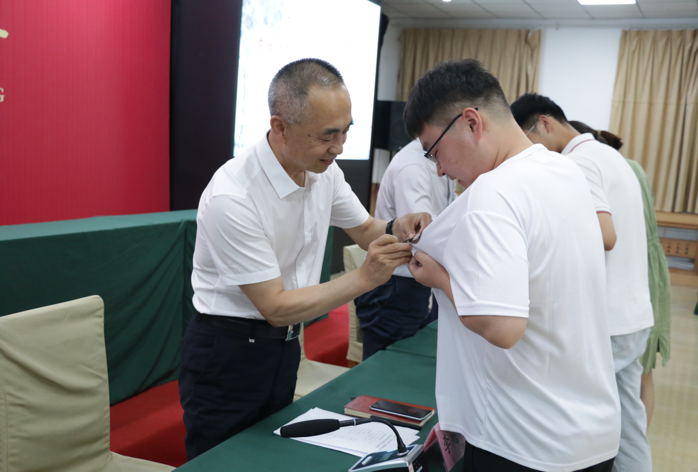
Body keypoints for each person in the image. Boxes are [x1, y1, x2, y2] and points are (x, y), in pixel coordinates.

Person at [179, 58, 430, 460]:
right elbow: (275, 307)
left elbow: (367, 228)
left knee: (271, 458)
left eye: (346, 131)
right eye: (328, 135)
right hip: (228, 352)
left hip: (285, 346)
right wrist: (365, 278)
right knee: (223, 462)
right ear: (280, 127)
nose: (339, 147)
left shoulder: (323, 171)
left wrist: (398, 226)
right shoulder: (234, 195)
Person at [404, 59, 621, 471]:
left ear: (471, 122)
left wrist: (440, 278)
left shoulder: (493, 194)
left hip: (525, 439)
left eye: (435, 151)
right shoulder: (565, 170)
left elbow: (503, 328)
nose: (440, 169)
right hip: (592, 431)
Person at [510, 93, 655, 472]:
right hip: (633, 314)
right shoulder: (609, 155)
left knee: (575, 420)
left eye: (528, 139)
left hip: (608, 321)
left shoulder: (579, 162)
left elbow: (606, 236)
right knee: (630, 424)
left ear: (544, 122)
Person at [569, 120, 671, 428]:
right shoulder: (629, 166)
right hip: (643, 275)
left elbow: (607, 236)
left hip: (627, 278)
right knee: (638, 379)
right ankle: (637, 441)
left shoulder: (587, 167)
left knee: (619, 384)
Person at [355, 139, 456, 359]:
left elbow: (450, 212)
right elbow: (421, 235)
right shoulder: (412, 166)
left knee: (411, 357)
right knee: (385, 365)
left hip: (417, 279)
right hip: (394, 285)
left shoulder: (437, 157)